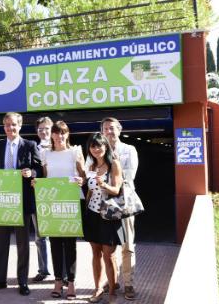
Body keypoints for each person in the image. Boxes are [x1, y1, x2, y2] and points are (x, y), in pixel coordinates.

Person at [0, 112, 42, 296]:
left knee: (22, 244)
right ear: (3, 126)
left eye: (13, 124)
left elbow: (39, 169)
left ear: (20, 125)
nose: (10, 128)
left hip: (22, 202)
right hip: (1, 201)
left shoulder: (30, 145)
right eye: (7, 125)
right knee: (1, 243)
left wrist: (32, 173)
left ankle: (22, 282)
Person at [38, 120, 85, 300]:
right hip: (51, 201)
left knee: (70, 244)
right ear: (52, 135)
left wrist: (81, 180)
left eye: (63, 132)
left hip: (71, 201)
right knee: (55, 243)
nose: (59, 136)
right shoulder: (46, 154)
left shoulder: (75, 152)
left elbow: (83, 175)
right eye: (56, 133)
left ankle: (71, 282)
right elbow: (45, 177)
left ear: (68, 134)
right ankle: (58, 281)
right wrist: (37, 184)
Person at [96, 117, 139, 300]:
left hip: (124, 203)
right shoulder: (98, 152)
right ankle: (112, 280)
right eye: (105, 129)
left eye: (112, 128)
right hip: (105, 205)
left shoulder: (129, 150)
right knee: (108, 247)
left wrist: (113, 171)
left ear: (119, 130)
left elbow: (130, 175)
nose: (109, 132)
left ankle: (128, 283)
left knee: (127, 245)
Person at [83, 133, 125, 304]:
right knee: (95, 253)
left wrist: (104, 184)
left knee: (109, 255)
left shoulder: (114, 164)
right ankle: (98, 289)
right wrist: (82, 186)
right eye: (93, 146)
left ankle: (112, 293)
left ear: (106, 146)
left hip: (109, 215)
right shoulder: (91, 166)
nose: (96, 149)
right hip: (92, 214)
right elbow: (90, 192)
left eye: (99, 145)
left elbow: (116, 190)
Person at [32, 116, 53, 282]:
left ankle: (64, 273)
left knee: (60, 235)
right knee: (40, 236)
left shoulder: (62, 148)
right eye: (41, 129)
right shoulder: (34, 149)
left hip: (58, 197)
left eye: (47, 128)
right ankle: (43, 269)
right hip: (38, 198)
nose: (44, 132)